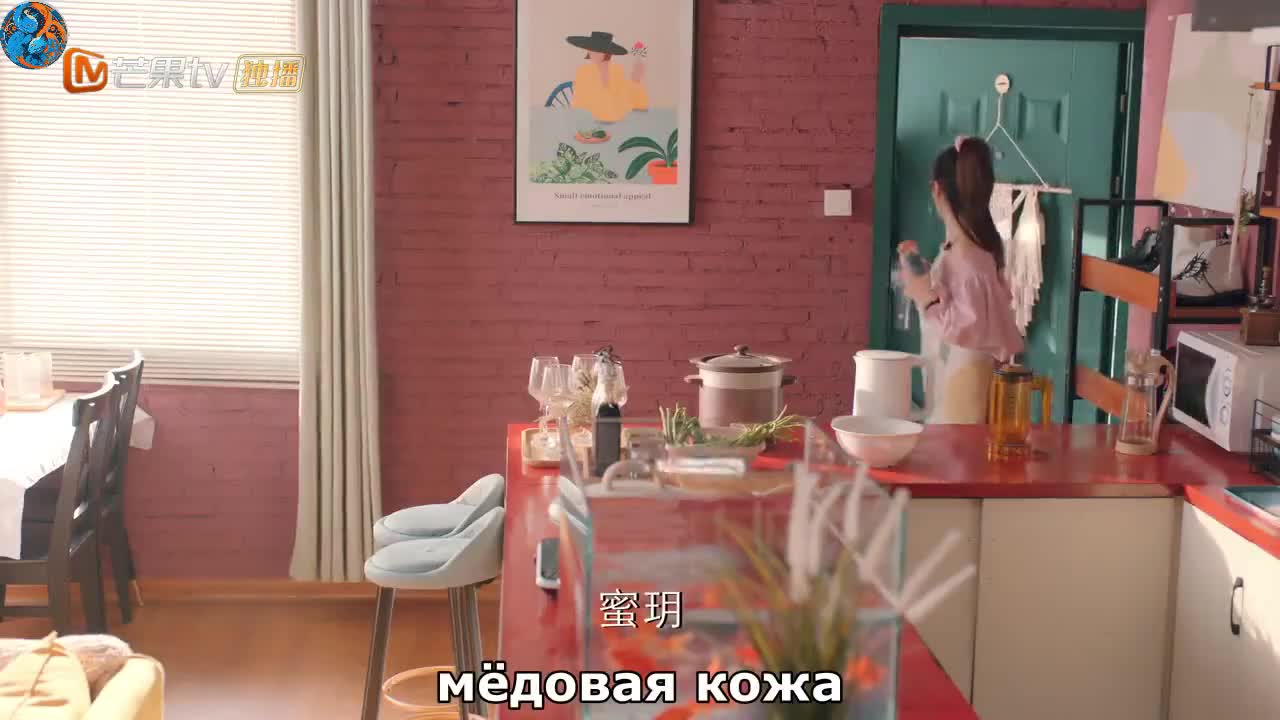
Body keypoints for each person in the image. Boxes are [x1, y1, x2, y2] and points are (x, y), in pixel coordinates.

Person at [898, 136, 1024, 424]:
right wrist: (924, 276)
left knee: (954, 448)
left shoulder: (968, 258)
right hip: (957, 381)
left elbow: (969, 330)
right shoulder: (969, 251)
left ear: (936, 189)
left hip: (963, 385)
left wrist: (925, 298)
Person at [565, 31, 648, 124]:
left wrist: (636, 80)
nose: (591, 53)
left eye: (596, 50)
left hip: (614, 119)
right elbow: (579, 103)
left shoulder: (617, 70)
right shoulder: (584, 71)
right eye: (591, 49)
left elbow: (623, 99)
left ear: (607, 53)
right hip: (588, 120)